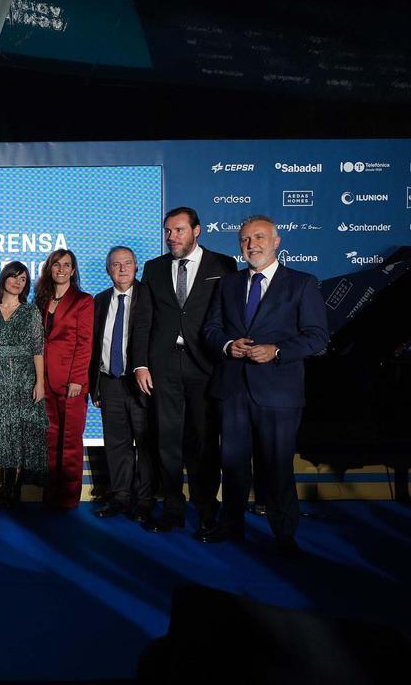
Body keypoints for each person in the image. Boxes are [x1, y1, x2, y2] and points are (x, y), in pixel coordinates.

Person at [201, 216, 328, 557]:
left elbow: (318, 337)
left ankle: (284, 534)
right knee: (234, 464)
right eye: (244, 239)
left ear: (276, 241)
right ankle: (230, 525)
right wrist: (229, 346)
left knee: (277, 467)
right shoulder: (227, 285)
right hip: (233, 390)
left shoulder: (302, 283)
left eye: (258, 237)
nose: (251, 244)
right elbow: (211, 330)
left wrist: (277, 351)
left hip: (278, 392)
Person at [134, 206, 236, 536]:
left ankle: (207, 509)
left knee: (205, 440)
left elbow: (228, 315)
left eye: (178, 230)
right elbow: (144, 320)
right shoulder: (153, 268)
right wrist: (141, 363)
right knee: (166, 440)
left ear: (197, 230)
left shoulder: (223, 265)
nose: (171, 237)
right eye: (168, 231)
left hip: (205, 364)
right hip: (163, 367)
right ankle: (173, 509)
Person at [87, 247, 155, 519]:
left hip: (140, 382)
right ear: (108, 270)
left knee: (146, 443)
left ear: (136, 267)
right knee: (116, 444)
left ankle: (146, 500)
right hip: (109, 381)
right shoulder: (99, 300)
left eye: (128, 264)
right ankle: (120, 498)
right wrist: (95, 386)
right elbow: (93, 346)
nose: (123, 269)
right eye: (116, 265)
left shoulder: (150, 296)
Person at [0, 261, 48, 508]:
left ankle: (14, 492)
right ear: (4, 278)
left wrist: (40, 382)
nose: (17, 282)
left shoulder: (31, 311)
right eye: (14, 277)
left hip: (25, 378)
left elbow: (37, 349)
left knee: (20, 435)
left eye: (23, 279)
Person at [36, 249, 94, 511]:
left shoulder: (83, 300)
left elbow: (85, 343)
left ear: (73, 270)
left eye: (66, 265)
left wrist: (78, 379)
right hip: (43, 378)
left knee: (70, 440)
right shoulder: (41, 300)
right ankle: (51, 492)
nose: (61, 269)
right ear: (50, 269)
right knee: (50, 438)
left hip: (71, 380)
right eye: (56, 265)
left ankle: (69, 497)